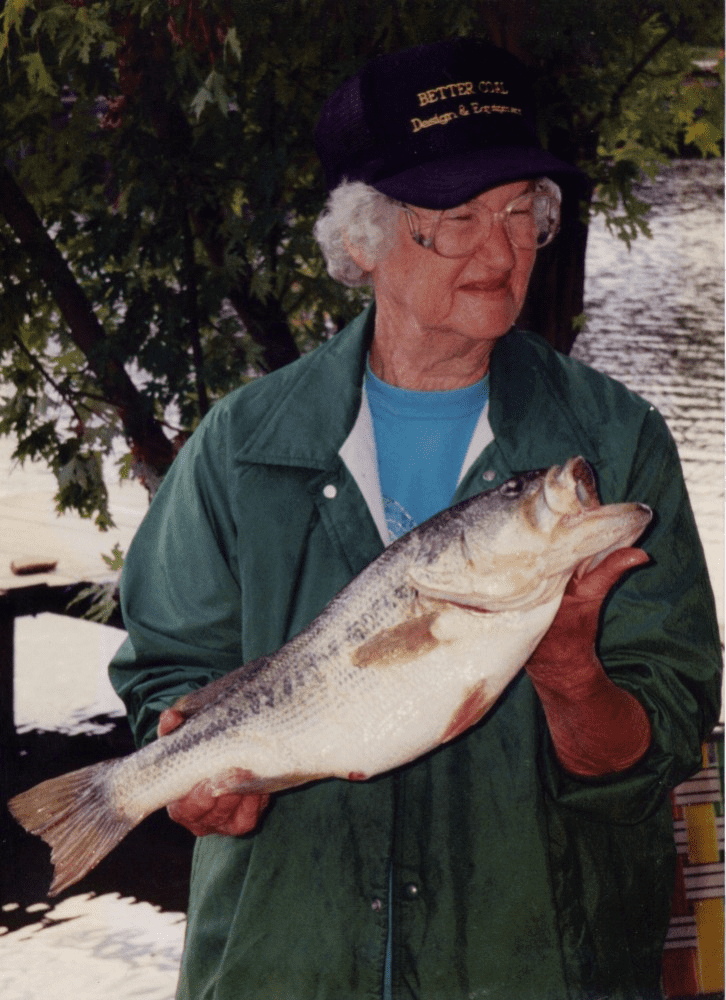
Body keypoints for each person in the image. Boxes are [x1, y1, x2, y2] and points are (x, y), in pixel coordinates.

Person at [109, 39, 721, 1000]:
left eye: (523, 210)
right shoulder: (241, 444)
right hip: (284, 963)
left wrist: (570, 672)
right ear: (362, 240)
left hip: (541, 968)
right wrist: (190, 767)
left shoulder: (614, 441)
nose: (502, 248)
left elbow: (659, 747)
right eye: (458, 217)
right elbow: (169, 673)